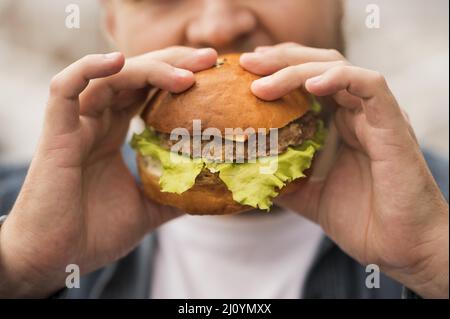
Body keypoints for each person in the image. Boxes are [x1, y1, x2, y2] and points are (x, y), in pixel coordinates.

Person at [0, 0, 448, 299]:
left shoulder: (438, 230)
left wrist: (433, 262)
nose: (218, 26)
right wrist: (21, 273)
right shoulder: (13, 226)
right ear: (112, 24)